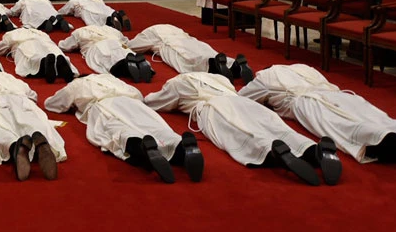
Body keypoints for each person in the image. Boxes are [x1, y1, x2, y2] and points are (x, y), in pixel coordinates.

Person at [145, 72, 341, 186]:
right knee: (276, 126)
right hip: (243, 102)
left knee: (242, 131)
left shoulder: (179, 82)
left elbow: (156, 102)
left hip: (215, 108)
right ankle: (311, 149)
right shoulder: (220, 78)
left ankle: (272, 153)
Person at [44, 74, 204, 183]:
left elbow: (54, 104)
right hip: (133, 103)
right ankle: (179, 145)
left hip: (104, 107)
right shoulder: (111, 78)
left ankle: (142, 148)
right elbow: (138, 94)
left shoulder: (77, 84)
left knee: (117, 131)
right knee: (156, 127)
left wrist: (75, 106)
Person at [239, 64, 396, 164]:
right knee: (368, 112)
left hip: (307, 103)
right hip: (337, 94)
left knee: (339, 124)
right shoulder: (303, 67)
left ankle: (382, 141)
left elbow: (241, 98)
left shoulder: (265, 77)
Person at [127, 24, 252, 83]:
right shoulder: (170, 26)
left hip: (170, 44)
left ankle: (215, 68)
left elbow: (133, 47)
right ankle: (234, 66)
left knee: (187, 59)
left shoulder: (149, 32)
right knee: (207, 51)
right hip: (189, 40)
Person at [58, 24, 154, 83]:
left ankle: (122, 66)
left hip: (97, 45)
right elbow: (126, 41)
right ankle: (143, 64)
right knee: (123, 51)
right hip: (116, 42)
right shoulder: (111, 29)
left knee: (106, 59)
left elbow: (65, 46)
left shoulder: (80, 31)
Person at [0, 27, 77, 83]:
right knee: (53, 51)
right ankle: (60, 67)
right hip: (46, 43)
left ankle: (43, 65)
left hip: (25, 43)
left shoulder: (13, 33)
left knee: (31, 57)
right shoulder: (40, 32)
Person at [58, 0, 130, 31]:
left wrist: (58, 13)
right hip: (98, 3)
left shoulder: (74, 1)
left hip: (84, 7)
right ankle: (117, 14)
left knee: (93, 18)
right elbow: (102, 3)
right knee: (105, 9)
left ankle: (110, 21)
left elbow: (64, 10)